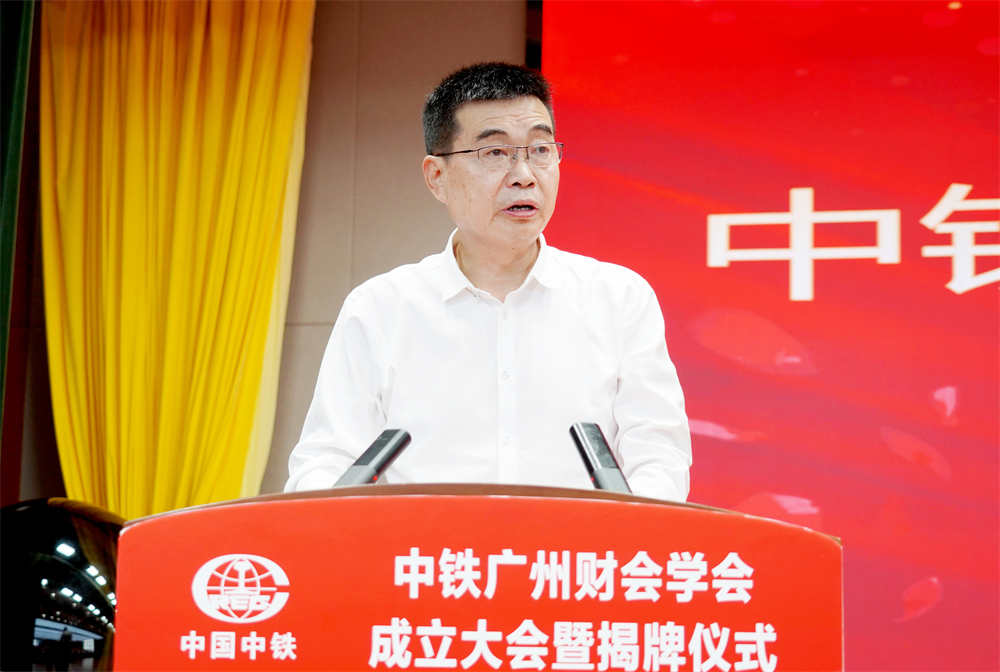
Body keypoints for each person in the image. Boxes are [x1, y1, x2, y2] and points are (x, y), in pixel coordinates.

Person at [285, 63, 691, 500]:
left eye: (540, 149)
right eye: (495, 153)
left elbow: (658, 454)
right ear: (437, 177)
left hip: (578, 545)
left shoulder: (619, 298)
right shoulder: (381, 308)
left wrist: (635, 525)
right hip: (430, 544)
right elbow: (327, 458)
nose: (524, 174)